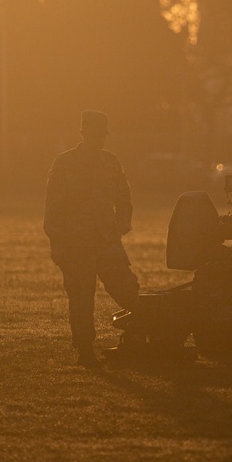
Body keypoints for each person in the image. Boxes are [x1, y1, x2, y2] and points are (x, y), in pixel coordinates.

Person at [44, 110, 140, 367]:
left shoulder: (111, 162)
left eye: (103, 135)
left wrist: (121, 226)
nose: (100, 140)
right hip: (76, 243)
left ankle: (141, 335)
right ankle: (85, 349)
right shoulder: (64, 163)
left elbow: (123, 198)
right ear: (84, 133)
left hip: (107, 240)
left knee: (127, 289)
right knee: (81, 296)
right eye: (96, 134)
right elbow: (53, 207)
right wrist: (58, 244)